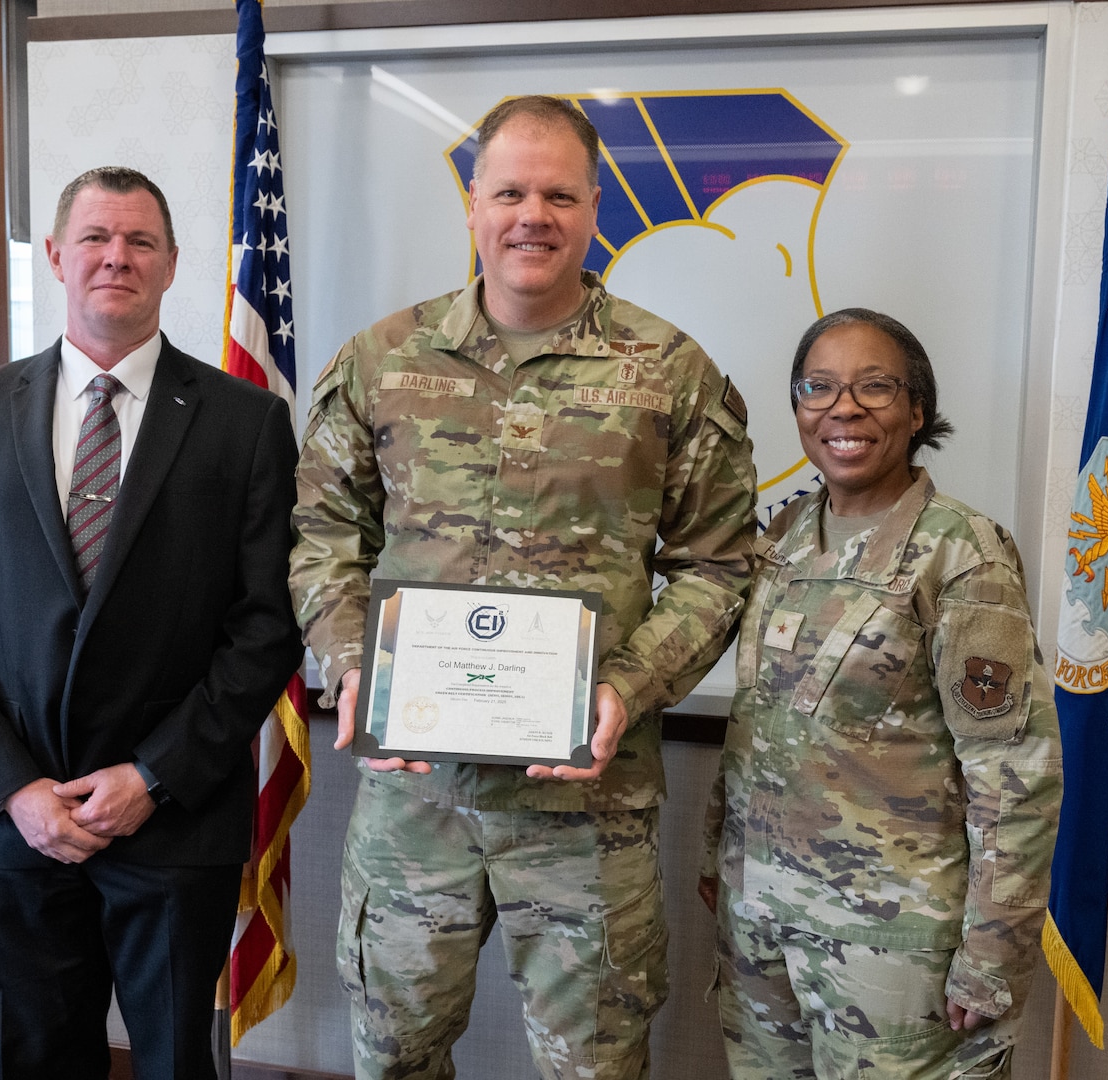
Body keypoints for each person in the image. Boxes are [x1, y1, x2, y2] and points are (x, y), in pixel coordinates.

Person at [289, 95, 757, 1079]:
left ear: (595, 209)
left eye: (558, 193)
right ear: (473, 205)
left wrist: (626, 686)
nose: (530, 215)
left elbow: (720, 566)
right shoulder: (383, 363)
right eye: (509, 191)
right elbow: (324, 530)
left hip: (588, 807)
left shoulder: (669, 374)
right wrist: (349, 663)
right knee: (394, 1052)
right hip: (416, 801)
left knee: (594, 1063)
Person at [0, 166, 303, 1080]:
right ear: (54, 255)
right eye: (94, 239)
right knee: (33, 1057)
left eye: (140, 242)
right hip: (13, 815)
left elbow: (267, 624)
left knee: (171, 1060)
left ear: (170, 265)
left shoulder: (246, 423)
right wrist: (14, 788)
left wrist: (153, 776)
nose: (116, 258)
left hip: (170, 812)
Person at [699, 309, 1062, 1079]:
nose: (844, 408)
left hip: (894, 949)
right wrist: (718, 858)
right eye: (819, 387)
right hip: (762, 926)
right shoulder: (786, 538)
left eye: (875, 387)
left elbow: (1016, 774)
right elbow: (759, 722)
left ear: (918, 410)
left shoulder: (961, 554)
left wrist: (994, 950)